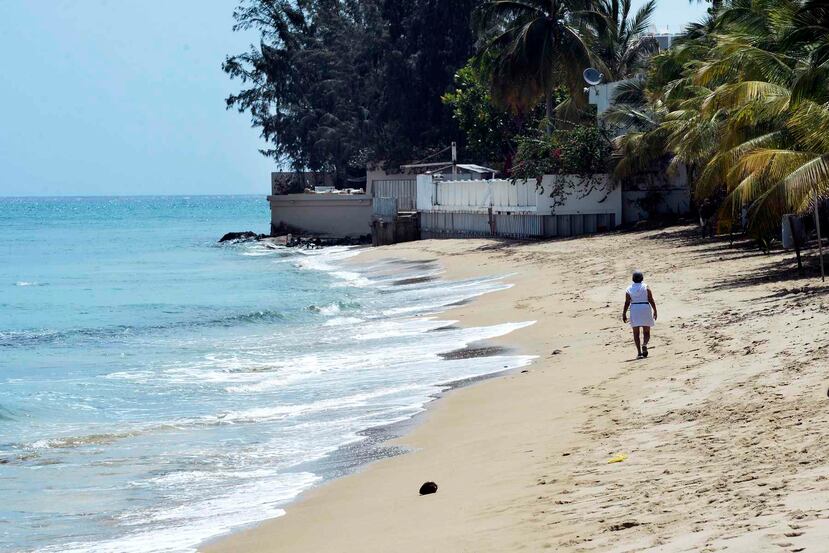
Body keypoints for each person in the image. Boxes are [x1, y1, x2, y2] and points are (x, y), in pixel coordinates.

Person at [622, 271, 657, 359]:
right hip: (645, 307)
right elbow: (651, 299)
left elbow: (627, 302)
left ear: (633, 279)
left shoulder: (629, 288)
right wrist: (655, 310)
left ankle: (639, 353)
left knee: (636, 333)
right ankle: (644, 344)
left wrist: (624, 313)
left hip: (635, 308)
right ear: (642, 278)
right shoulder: (646, 287)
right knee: (646, 331)